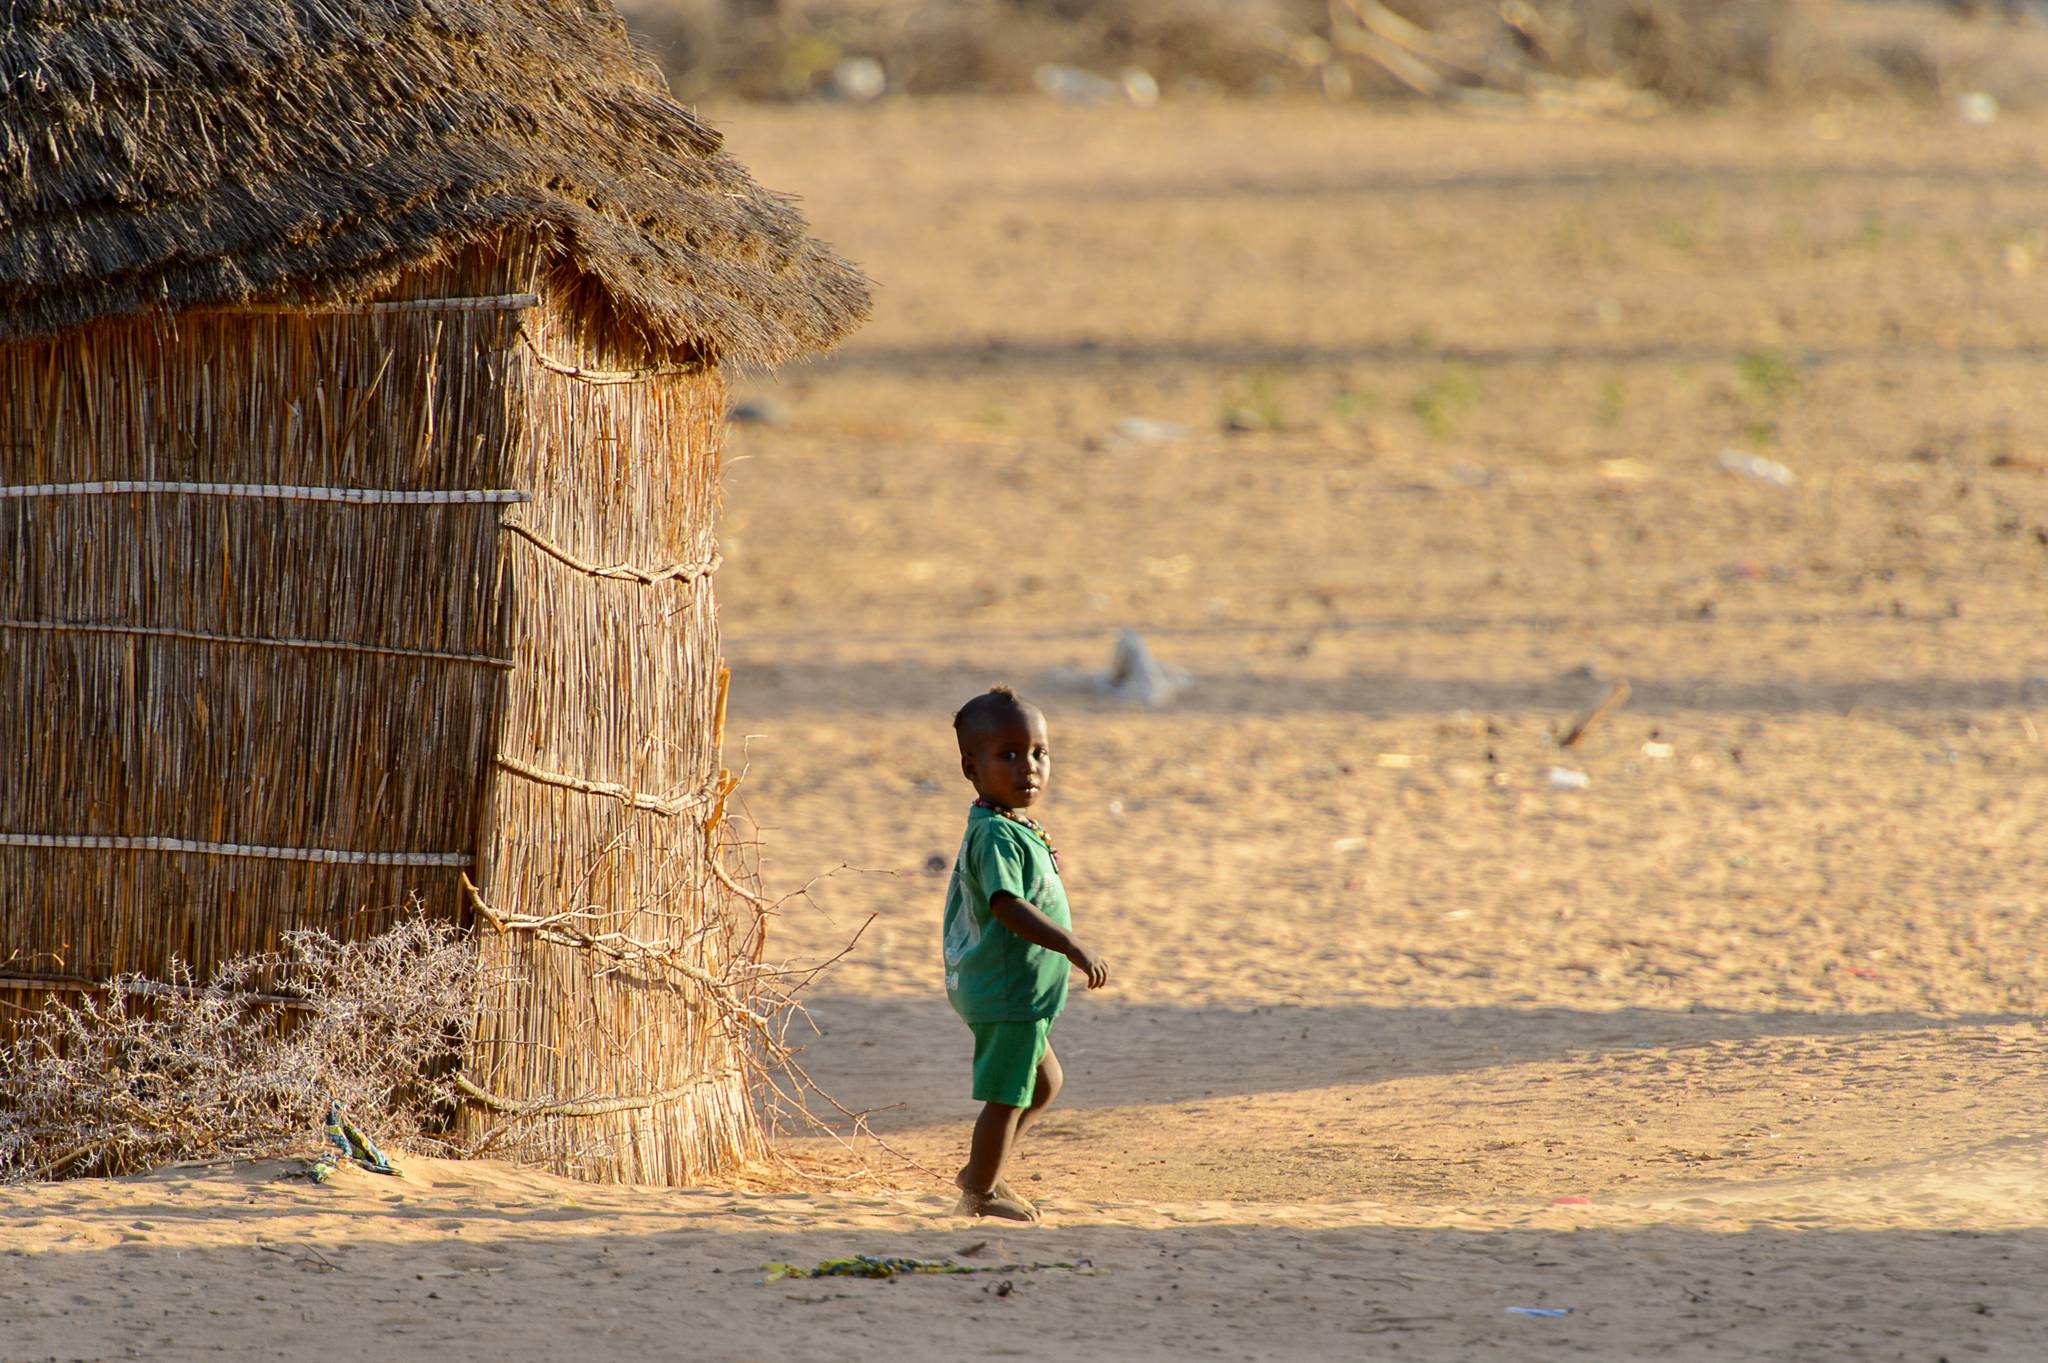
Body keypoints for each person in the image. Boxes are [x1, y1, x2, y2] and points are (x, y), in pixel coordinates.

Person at [941, 686, 1110, 1221]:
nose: (1028, 768)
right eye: (1008, 755)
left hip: (1018, 992)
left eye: (1039, 753)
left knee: (1044, 1082)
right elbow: (1006, 904)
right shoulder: (993, 835)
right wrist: (1071, 944)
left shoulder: (1010, 825)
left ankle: (982, 1170)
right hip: (1006, 991)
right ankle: (980, 1192)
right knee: (1009, 1093)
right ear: (972, 767)